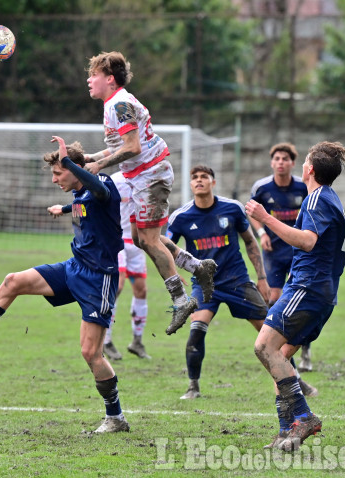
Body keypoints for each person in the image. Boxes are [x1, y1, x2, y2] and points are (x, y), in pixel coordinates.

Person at [0, 136, 130, 433]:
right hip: (74, 267)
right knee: (13, 281)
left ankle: (116, 417)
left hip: (99, 278)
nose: (54, 179)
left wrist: (71, 162)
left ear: (74, 168)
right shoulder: (79, 193)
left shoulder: (102, 185)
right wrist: (63, 208)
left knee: (90, 354)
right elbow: (88, 210)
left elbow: (98, 192)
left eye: (58, 173)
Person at [82, 51, 215, 336]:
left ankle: (181, 300)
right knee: (141, 238)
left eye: (93, 74)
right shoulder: (115, 104)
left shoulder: (119, 104)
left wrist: (99, 166)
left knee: (149, 240)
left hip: (150, 175)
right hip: (142, 176)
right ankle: (197, 266)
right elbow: (122, 145)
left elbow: (133, 148)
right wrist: (90, 157)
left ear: (109, 78)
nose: (89, 80)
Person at [164, 165, 317, 401]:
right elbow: (166, 247)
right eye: (194, 177)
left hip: (238, 281)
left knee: (272, 334)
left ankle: (295, 379)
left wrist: (262, 278)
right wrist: (174, 273)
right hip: (205, 285)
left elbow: (250, 243)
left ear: (213, 182)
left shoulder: (232, 208)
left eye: (204, 177)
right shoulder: (180, 217)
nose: (199, 180)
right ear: (191, 184)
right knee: (196, 332)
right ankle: (193, 386)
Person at [246, 141, 345, 452]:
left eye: (304, 161)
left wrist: (265, 218)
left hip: (307, 287)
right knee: (281, 357)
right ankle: (286, 433)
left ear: (310, 170)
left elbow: (306, 241)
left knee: (264, 346)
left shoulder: (318, 198)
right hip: (321, 291)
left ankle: (304, 417)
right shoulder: (327, 198)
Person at [249, 143, 313, 373]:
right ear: (271, 162)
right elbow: (252, 211)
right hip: (274, 253)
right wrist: (261, 232)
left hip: (300, 254)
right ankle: (275, 344)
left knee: (302, 301)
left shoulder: (303, 187)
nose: (281, 162)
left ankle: (305, 350)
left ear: (293, 163)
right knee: (274, 300)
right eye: (277, 158)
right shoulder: (262, 187)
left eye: (285, 158)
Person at [103, 171, 150, 360]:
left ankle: (137, 342)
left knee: (141, 290)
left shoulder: (146, 178)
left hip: (137, 242)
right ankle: (105, 340)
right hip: (117, 240)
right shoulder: (114, 180)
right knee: (118, 286)